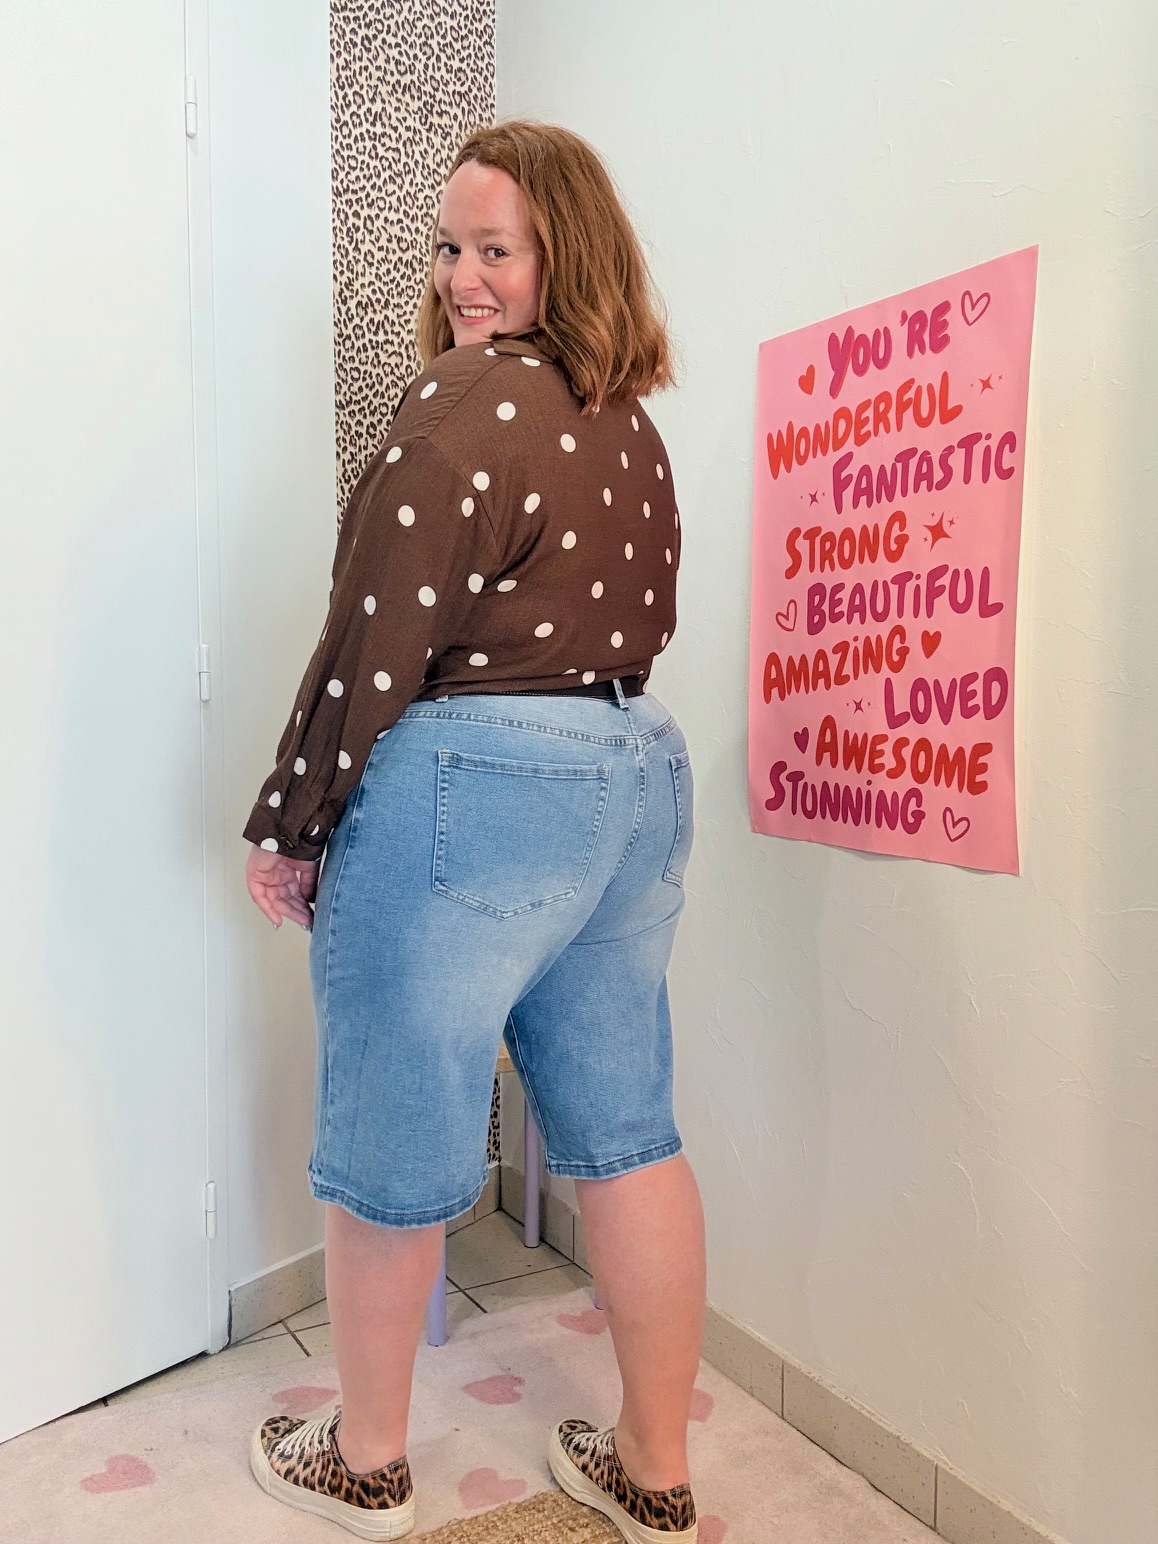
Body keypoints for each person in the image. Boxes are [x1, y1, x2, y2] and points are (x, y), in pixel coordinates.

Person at [242, 120, 705, 1543]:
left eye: (494, 249)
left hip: (481, 784)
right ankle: (654, 1468)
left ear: (567, 257)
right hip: (632, 776)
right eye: (448, 248)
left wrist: (294, 821)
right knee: (626, 1133)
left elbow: (371, 645)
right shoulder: (630, 429)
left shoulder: (459, 403)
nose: (461, 279)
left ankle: (366, 1460)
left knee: (391, 1127)